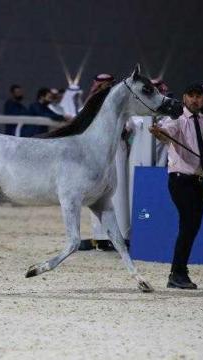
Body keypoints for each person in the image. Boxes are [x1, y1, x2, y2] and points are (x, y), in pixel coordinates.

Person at [149, 83, 203, 289]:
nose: (195, 100)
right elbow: (165, 133)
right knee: (189, 224)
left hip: (199, 181)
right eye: (191, 96)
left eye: (198, 96)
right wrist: (157, 131)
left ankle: (178, 273)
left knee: (192, 227)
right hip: (180, 180)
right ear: (184, 98)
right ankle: (178, 273)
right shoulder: (176, 121)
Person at [79, 73, 124, 251]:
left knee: (115, 196)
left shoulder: (118, 103)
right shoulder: (89, 103)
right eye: (102, 85)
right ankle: (100, 237)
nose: (105, 88)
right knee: (95, 196)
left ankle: (117, 236)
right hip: (92, 156)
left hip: (115, 153)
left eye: (108, 85)